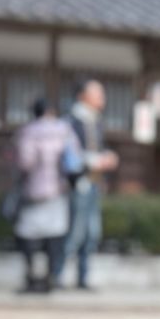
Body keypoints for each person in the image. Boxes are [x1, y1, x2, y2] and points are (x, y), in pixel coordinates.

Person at [54, 79, 119, 292]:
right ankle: (59, 275)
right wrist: (95, 160)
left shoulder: (97, 121)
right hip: (77, 184)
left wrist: (106, 157)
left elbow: (98, 148)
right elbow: (68, 156)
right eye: (97, 94)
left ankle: (83, 277)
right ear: (82, 96)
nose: (102, 98)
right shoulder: (70, 121)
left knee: (92, 232)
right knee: (74, 231)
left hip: (95, 184)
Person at [12, 98, 78, 294]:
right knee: (55, 234)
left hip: (34, 191)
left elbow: (24, 162)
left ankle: (32, 276)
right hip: (59, 190)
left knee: (28, 233)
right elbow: (75, 160)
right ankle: (51, 275)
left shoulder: (28, 132)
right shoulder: (65, 130)